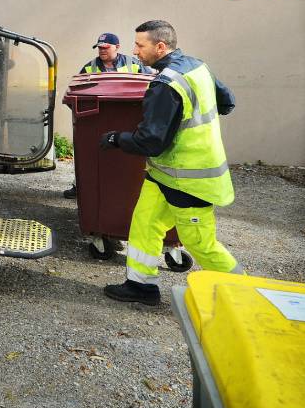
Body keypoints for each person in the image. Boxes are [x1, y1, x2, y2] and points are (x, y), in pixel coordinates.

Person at [100, 20, 243, 305]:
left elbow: (151, 141)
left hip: (190, 177)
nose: (135, 51)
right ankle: (141, 286)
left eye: (141, 45)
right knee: (145, 223)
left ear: (160, 47)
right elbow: (227, 102)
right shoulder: (196, 67)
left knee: (200, 243)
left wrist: (116, 139)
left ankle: (247, 294)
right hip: (166, 172)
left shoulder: (166, 84)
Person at [63, 33, 150, 199]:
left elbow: (149, 86)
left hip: (128, 117)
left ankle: (127, 185)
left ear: (117, 47)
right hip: (98, 117)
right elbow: (76, 92)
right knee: (91, 153)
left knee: (125, 155)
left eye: (105, 47)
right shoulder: (89, 67)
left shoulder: (135, 64)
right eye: (99, 48)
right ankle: (81, 185)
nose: (101, 51)